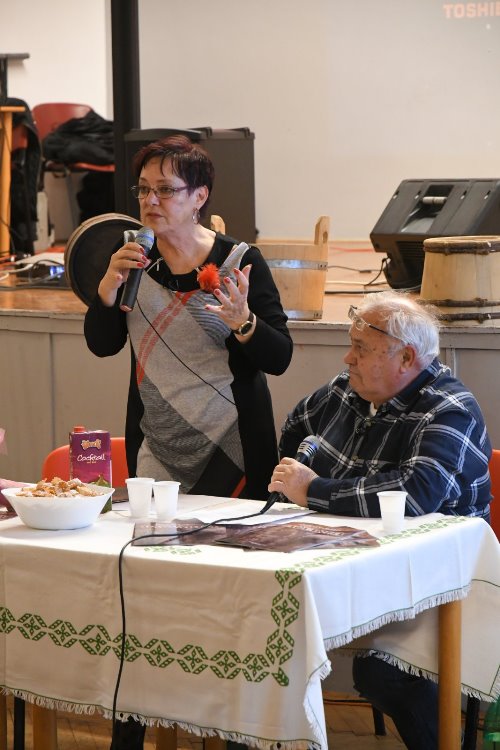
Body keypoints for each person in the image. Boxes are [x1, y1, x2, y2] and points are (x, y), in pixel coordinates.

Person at [83, 134, 292, 749]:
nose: (151, 202)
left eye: (166, 190)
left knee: (229, 608)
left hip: (234, 453)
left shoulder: (238, 262)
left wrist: (243, 323)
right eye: (144, 190)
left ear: (199, 197)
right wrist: (106, 290)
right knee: (141, 604)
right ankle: (129, 738)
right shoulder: (133, 261)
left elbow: (278, 356)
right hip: (157, 452)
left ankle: (237, 733)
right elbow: (103, 344)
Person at [268, 290, 491, 750]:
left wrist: (316, 490)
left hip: (437, 586)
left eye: (360, 348)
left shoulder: (449, 407)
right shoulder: (344, 391)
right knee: (263, 622)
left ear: (406, 357)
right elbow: (295, 429)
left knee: (382, 669)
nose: (347, 359)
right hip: (351, 559)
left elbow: (418, 493)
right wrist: (302, 473)